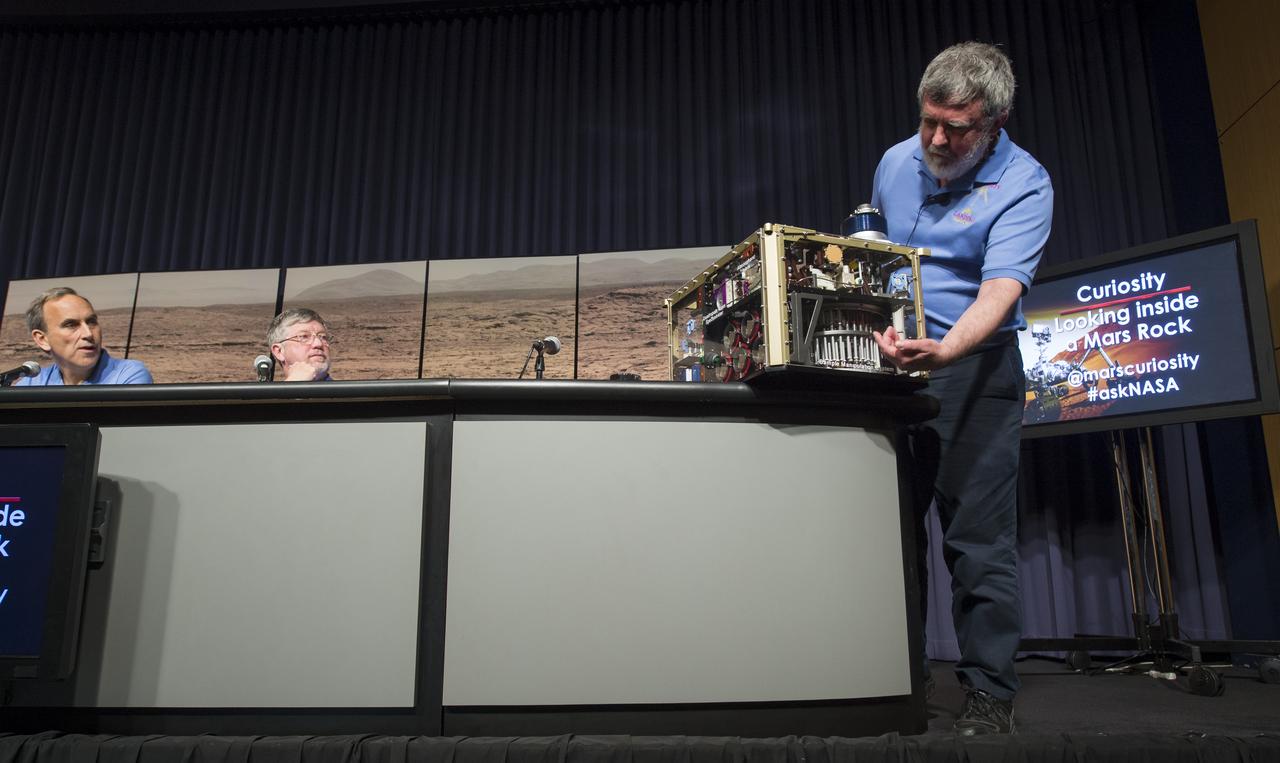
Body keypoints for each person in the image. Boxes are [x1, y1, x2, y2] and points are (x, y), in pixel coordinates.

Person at [870, 42, 1053, 735]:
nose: (937, 140)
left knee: (976, 545)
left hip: (974, 369)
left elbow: (1002, 289)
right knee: (888, 542)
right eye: (929, 122)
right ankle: (898, 681)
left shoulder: (1027, 184)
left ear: (996, 122)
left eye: (957, 127)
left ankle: (988, 696)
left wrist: (944, 348)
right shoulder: (895, 162)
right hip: (892, 376)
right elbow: (880, 260)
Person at [15, 287, 152, 386]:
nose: (88, 334)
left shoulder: (129, 374)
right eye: (71, 325)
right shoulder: (32, 383)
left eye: (91, 322)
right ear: (42, 339)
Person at [267, 307, 334, 382]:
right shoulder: (262, 393)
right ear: (279, 351)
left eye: (323, 337)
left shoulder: (346, 391)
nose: (318, 344)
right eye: (304, 336)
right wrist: (292, 385)